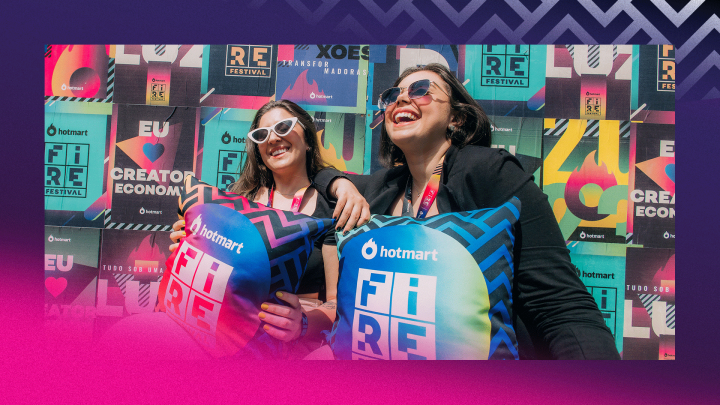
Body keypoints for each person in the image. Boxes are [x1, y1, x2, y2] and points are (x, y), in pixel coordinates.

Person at [315, 63, 620, 359]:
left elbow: (560, 304)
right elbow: (314, 172)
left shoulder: (490, 172)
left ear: (457, 119)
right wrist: (341, 185)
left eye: (421, 90)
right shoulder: (382, 186)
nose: (402, 99)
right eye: (393, 95)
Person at [167, 100, 369, 356]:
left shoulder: (332, 209)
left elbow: (337, 305)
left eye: (284, 127)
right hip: (222, 337)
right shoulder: (236, 202)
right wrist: (190, 247)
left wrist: (303, 323)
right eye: (262, 135)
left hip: (290, 351)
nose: (273, 138)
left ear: (308, 139)